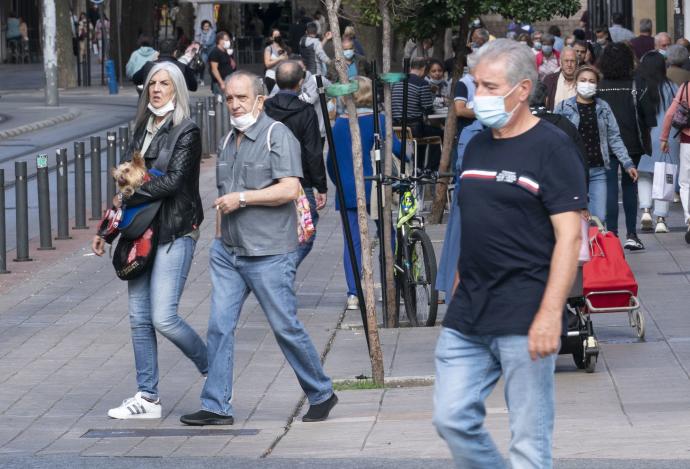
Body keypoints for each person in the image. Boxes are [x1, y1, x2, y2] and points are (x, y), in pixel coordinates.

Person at [433, 39, 586, 469]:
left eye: (488, 85)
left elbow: (570, 238)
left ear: (521, 90)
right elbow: (476, 222)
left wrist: (551, 314)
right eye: (475, 84)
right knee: (451, 417)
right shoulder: (476, 145)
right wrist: (460, 280)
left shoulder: (553, 148)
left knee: (529, 444)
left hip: (525, 314)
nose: (476, 96)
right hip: (469, 312)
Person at [180, 70, 337, 426]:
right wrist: (219, 239)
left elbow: (290, 189)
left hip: (269, 253)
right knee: (219, 327)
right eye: (230, 99)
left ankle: (322, 393)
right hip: (229, 253)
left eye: (241, 98)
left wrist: (244, 199)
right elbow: (224, 196)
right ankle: (216, 405)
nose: (234, 105)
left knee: (285, 327)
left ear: (260, 100)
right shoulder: (226, 140)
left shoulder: (275, 135)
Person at [91, 62, 207, 419]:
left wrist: (129, 194)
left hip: (174, 229)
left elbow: (172, 182)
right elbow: (123, 181)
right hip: (140, 232)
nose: (156, 89)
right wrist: (106, 230)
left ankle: (215, 370)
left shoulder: (186, 130)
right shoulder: (142, 126)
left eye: (164, 83)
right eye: (152, 84)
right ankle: (148, 397)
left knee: (163, 317)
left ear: (176, 89)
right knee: (139, 318)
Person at [327, 76, 402, 311]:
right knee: (387, 237)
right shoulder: (379, 120)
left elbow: (331, 162)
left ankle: (353, 293)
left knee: (353, 241)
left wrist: (339, 183)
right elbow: (398, 149)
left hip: (348, 188)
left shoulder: (339, 124)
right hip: (377, 185)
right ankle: (391, 287)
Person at [555, 65, 638, 223]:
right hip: (573, 172)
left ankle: (594, 247)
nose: (587, 84)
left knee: (599, 218)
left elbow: (614, 137)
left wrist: (627, 163)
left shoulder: (603, 108)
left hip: (598, 171)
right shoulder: (563, 107)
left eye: (591, 81)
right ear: (576, 83)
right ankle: (581, 248)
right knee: (576, 219)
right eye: (583, 80)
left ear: (597, 84)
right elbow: (555, 138)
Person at [264, 60, 327, 265]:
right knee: (307, 230)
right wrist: (321, 186)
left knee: (274, 229)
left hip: (268, 179)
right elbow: (313, 151)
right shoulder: (306, 111)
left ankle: (278, 268)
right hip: (301, 182)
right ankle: (285, 268)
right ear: (301, 82)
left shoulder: (265, 108)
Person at [597, 42, 654, 250]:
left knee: (610, 188)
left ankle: (612, 233)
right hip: (632, 143)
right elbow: (649, 115)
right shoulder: (636, 84)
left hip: (606, 143)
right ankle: (632, 233)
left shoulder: (599, 86)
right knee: (630, 188)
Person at [635, 51, 679, 233]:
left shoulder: (638, 87)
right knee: (664, 177)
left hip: (644, 136)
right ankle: (661, 218)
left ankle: (645, 210)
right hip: (666, 138)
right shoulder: (671, 87)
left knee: (643, 175)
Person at [391, 57, 442, 170]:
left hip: (396, 127)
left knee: (425, 130)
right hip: (414, 129)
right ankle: (431, 168)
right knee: (439, 133)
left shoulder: (396, 81)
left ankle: (418, 166)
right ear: (424, 69)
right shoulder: (421, 83)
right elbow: (428, 109)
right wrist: (431, 93)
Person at [661, 70, 690, 243]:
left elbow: (671, 113)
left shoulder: (685, 87)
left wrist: (664, 137)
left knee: (686, 183)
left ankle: (689, 218)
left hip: (687, 141)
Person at [133, 39, 198, 93]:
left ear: (159, 52)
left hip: (153, 103)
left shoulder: (149, 65)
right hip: (175, 104)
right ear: (175, 52)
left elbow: (135, 79)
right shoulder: (183, 67)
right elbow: (193, 87)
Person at [208, 31, 237, 97]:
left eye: (228, 40)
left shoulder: (226, 51)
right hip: (220, 82)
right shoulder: (215, 52)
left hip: (229, 81)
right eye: (226, 40)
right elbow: (214, 69)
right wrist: (221, 83)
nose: (228, 42)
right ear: (220, 41)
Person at [264, 29, 288, 94]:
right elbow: (267, 64)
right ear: (271, 38)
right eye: (276, 35)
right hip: (271, 77)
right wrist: (279, 59)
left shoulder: (283, 48)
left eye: (279, 35)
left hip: (282, 78)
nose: (278, 36)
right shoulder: (269, 49)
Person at [195, 20, 216, 86]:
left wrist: (203, 44)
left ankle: (214, 80)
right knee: (202, 65)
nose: (206, 28)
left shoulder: (212, 33)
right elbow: (197, 40)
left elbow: (211, 42)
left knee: (212, 66)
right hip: (204, 51)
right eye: (205, 26)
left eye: (208, 26)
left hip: (211, 51)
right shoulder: (200, 33)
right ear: (202, 27)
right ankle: (201, 79)